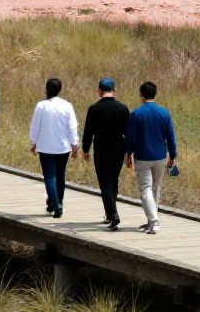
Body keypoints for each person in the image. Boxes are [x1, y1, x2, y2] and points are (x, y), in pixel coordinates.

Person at [125, 81, 177, 235]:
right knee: (155, 187)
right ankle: (151, 219)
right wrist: (173, 155)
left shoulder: (136, 114)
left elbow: (131, 138)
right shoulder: (164, 113)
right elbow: (171, 137)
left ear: (141, 95)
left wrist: (128, 153)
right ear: (156, 94)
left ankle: (153, 222)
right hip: (160, 156)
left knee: (145, 189)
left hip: (142, 157)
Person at [82, 77, 130, 231]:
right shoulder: (123, 108)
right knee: (113, 180)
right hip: (118, 149)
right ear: (114, 90)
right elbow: (128, 132)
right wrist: (129, 152)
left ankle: (113, 214)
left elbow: (88, 132)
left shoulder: (94, 109)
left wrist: (85, 149)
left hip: (102, 150)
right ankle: (110, 213)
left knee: (105, 183)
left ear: (98, 91)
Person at [28, 78, 78, 218]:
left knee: (49, 177)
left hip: (45, 147)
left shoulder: (41, 106)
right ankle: (58, 202)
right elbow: (72, 127)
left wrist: (33, 143)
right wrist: (75, 145)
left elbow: (35, 126)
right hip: (63, 147)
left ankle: (55, 205)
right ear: (59, 90)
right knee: (60, 176)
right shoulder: (67, 105)